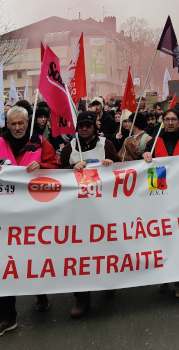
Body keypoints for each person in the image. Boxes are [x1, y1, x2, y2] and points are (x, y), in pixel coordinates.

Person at [0, 106, 59, 338]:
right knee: (5, 264)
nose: (17, 128)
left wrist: (44, 166)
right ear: (7, 124)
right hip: (5, 216)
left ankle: (41, 292)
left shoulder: (41, 144)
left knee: (35, 259)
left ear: (28, 123)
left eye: (21, 124)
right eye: (13, 124)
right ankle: (6, 317)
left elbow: (57, 167)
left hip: (35, 215)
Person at [58, 111, 120, 318]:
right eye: (81, 125)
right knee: (80, 255)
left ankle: (108, 281)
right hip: (77, 211)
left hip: (103, 209)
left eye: (88, 125)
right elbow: (58, 176)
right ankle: (82, 298)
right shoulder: (68, 149)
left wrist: (112, 166)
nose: (84, 128)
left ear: (95, 126)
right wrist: (70, 168)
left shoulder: (107, 145)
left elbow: (123, 169)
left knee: (104, 250)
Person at [143, 108, 179, 298]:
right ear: (162, 121)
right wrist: (145, 156)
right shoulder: (153, 140)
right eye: (167, 119)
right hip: (158, 193)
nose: (170, 122)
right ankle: (164, 275)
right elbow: (143, 162)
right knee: (161, 237)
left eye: (174, 119)